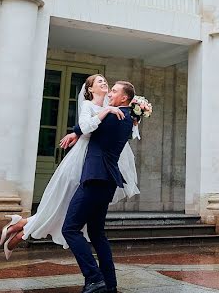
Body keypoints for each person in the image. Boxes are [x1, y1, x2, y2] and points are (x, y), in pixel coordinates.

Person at [0, 74, 138, 258]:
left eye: (106, 81)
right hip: (83, 160)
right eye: (99, 82)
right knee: (62, 202)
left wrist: (137, 114)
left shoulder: (111, 106)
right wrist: (81, 130)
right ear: (90, 89)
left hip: (102, 161)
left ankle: (20, 226)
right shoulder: (90, 106)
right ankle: (20, 231)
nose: (105, 83)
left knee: (68, 208)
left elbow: (118, 124)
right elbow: (87, 125)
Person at [62, 80, 136, 293]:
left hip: (95, 178)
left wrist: (74, 132)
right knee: (96, 233)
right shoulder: (128, 118)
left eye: (114, 91)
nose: (110, 94)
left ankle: (94, 278)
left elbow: (86, 127)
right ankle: (110, 283)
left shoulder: (114, 115)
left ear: (124, 98)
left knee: (70, 228)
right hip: (108, 180)